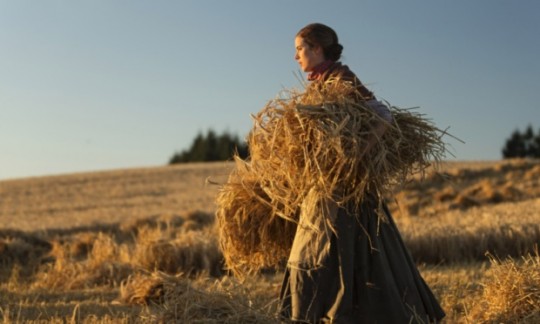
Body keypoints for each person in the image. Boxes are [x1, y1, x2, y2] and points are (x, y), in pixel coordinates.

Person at [278, 23, 446, 323]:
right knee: (312, 252)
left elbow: (383, 115)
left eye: (300, 49)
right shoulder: (319, 83)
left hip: (347, 191)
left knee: (349, 253)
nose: (296, 57)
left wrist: (358, 154)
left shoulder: (341, 78)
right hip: (324, 186)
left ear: (317, 49)